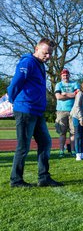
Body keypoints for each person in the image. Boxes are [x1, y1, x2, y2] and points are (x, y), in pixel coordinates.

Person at [7, 37, 63, 187]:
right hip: (26, 110)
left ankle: (44, 177)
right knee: (23, 146)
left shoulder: (40, 65)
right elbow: (15, 84)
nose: (48, 56)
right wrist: (12, 101)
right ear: (36, 49)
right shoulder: (27, 62)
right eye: (46, 53)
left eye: (50, 54)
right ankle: (16, 180)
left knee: (45, 142)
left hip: (37, 111)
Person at [55, 68, 79, 158]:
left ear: (69, 75)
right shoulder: (58, 84)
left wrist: (65, 94)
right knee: (62, 132)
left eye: (67, 75)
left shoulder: (74, 84)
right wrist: (71, 95)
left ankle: (73, 150)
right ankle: (61, 150)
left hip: (73, 110)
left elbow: (77, 94)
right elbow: (58, 97)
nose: (65, 76)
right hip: (61, 110)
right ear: (61, 76)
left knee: (73, 132)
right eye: (64, 75)